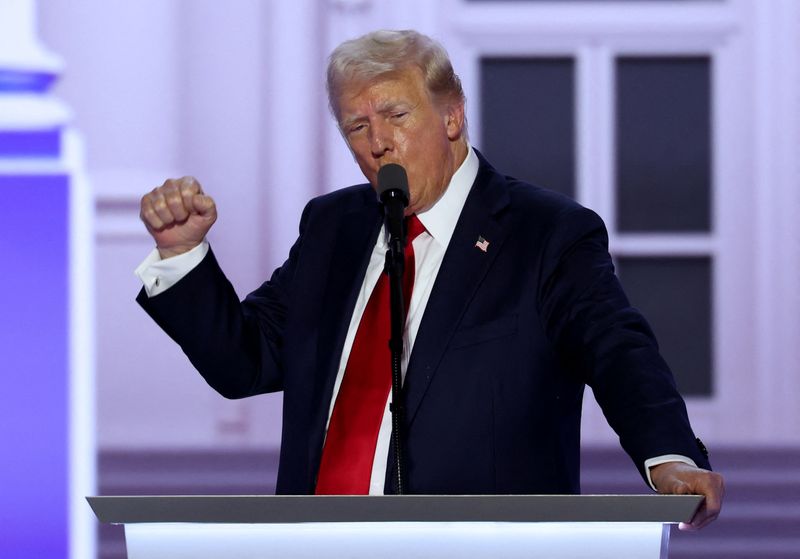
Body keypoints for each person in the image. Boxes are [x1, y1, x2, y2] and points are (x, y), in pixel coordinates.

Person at [136, 30, 723, 529]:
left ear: (451, 115)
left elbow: (617, 350)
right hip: (314, 543)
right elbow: (246, 362)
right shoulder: (332, 227)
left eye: (395, 114)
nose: (377, 143)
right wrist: (183, 255)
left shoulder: (546, 233)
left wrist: (667, 455)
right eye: (356, 127)